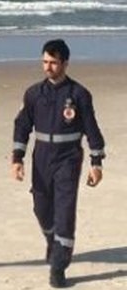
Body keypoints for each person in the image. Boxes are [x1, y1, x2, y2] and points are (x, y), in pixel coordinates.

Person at [11, 39, 105, 288]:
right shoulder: (33, 94)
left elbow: (92, 129)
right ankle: (53, 242)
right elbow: (22, 126)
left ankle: (59, 266)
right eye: (44, 62)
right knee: (41, 208)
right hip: (41, 158)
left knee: (64, 211)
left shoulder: (79, 94)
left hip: (68, 159)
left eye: (53, 62)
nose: (48, 67)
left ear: (65, 63)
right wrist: (17, 158)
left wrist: (97, 162)